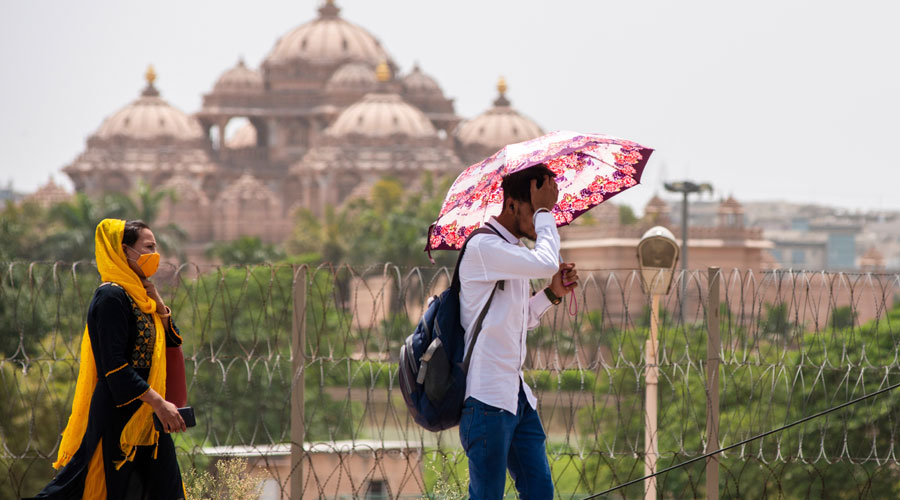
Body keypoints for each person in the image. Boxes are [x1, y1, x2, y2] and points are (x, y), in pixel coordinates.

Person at [26, 219, 187, 499]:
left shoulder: (143, 299)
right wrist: (159, 403)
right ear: (124, 251)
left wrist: (160, 308)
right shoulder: (111, 297)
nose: (155, 255)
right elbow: (115, 368)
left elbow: (170, 344)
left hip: (148, 419)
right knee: (93, 488)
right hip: (118, 417)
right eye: (148, 247)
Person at [458, 164, 578, 500]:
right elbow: (544, 263)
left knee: (539, 492)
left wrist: (552, 294)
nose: (542, 218)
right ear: (512, 205)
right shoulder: (484, 248)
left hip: (516, 396)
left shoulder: (510, 252)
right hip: (487, 399)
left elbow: (515, 318)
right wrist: (544, 213)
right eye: (537, 207)